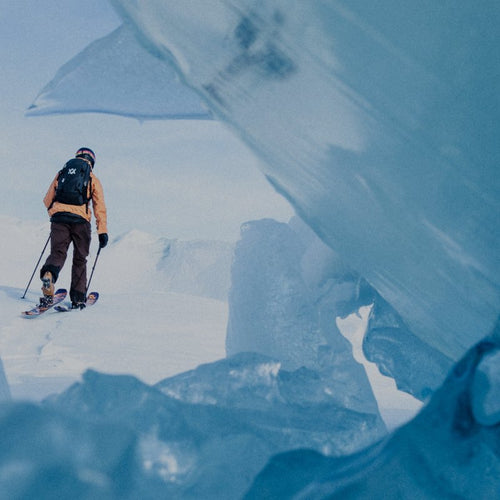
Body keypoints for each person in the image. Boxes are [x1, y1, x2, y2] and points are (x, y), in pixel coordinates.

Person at [39, 147, 108, 309]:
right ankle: (77, 297)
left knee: (57, 253)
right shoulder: (92, 178)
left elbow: (47, 198)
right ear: (92, 161)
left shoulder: (62, 172)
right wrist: (102, 231)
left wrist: (54, 214)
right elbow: (100, 207)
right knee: (79, 259)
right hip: (81, 222)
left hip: (59, 219)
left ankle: (49, 275)